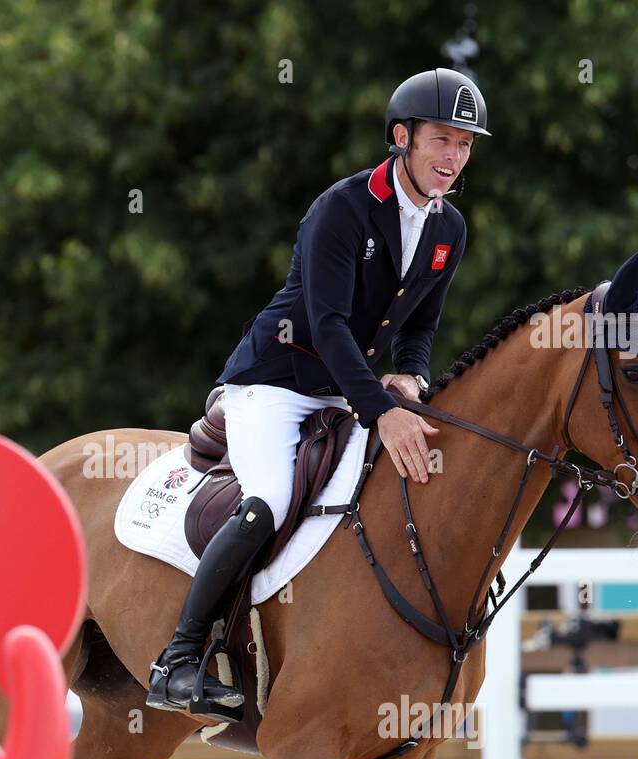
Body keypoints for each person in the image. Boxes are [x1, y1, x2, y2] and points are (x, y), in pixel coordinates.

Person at [147, 68, 488, 720]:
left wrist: (410, 378)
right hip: (273, 382)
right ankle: (180, 659)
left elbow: (420, 325)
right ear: (402, 136)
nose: (453, 158)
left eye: (465, 145)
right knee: (271, 499)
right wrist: (380, 410)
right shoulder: (342, 208)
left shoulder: (450, 230)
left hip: (344, 390)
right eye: (443, 140)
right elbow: (328, 325)